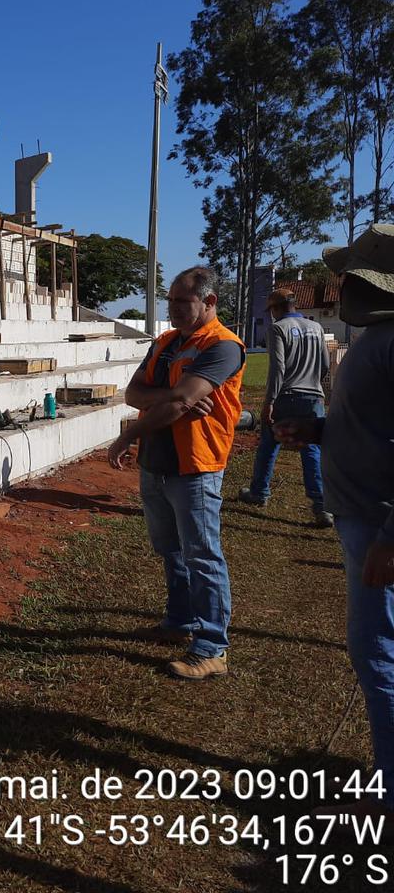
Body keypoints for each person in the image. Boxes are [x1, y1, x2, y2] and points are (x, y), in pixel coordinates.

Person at [274, 226, 394, 821]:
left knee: (379, 653)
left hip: (379, 524)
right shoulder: (374, 337)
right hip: (363, 517)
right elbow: (374, 427)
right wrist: (319, 432)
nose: (337, 285)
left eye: (349, 275)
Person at [107, 266, 246, 680]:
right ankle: (180, 620)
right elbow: (134, 393)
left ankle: (212, 646)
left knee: (203, 555)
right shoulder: (166, 342)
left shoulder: (223, 346)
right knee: (171, 550)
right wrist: (175, 396)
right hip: (157, 462)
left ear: (209, 302)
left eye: (182, 303)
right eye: (170, 302)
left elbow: (177, 403)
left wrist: (130, 431)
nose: (174, 310)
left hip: (196, 466)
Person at [237, 289, 332, 526]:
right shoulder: (316, 327)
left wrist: (269, 402)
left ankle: (259, 492)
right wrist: (314, 385)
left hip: (286, 396)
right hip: (313, 396)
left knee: (269, 444)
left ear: (275, 309)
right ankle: (322, 507)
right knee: (311, 450)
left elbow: (277, 368)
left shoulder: (278, 328)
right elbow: (325, 364)